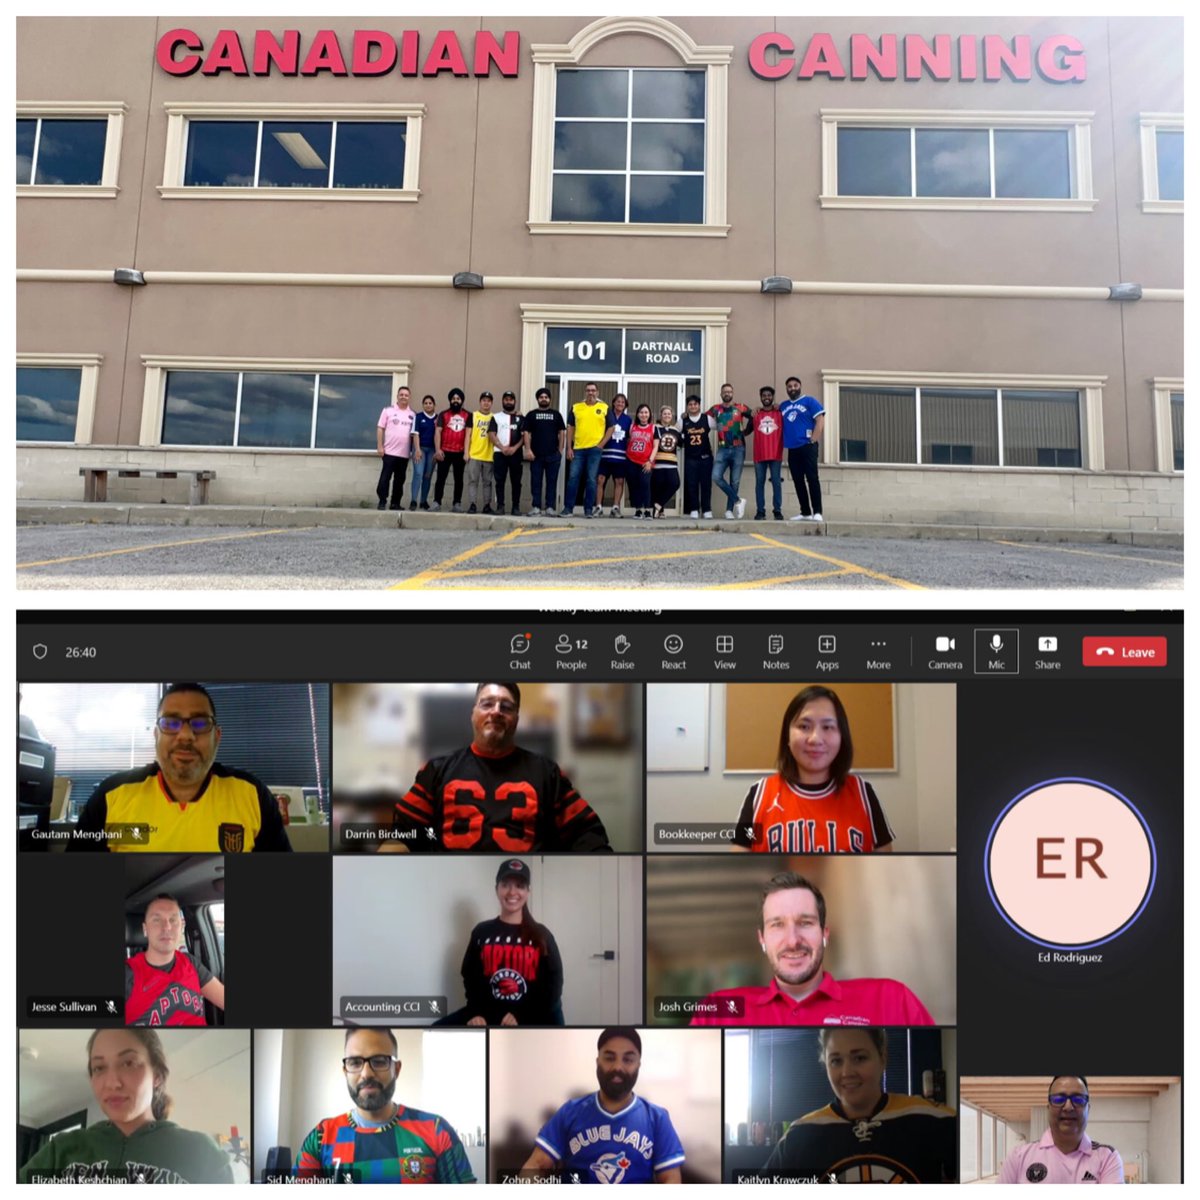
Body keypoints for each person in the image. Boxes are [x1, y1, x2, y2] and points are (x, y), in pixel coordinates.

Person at [389, 683, 612, 852]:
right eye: (487, 704)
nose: (496, 711)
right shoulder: (436, 770)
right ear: (473, 714)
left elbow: (587, 832)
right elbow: (400, 836)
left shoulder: (547, 773)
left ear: (516, 719)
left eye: (506, 707)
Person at [689, 872, 934, 1026]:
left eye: (805, 923)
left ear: (824, 933)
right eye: (777, 925)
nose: (793, 940)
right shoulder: (718, 1010)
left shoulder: (892, 999)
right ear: (762, 939)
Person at [71, 683, 291, 853]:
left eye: (200, 723)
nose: (185, 735)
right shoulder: (111, 796)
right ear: (156, 735)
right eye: (170, 723)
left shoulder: (252, 794)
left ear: (217, 736)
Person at [18, 1028, 234, 1183]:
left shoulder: (202, 1154)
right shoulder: (61, 1150)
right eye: (99, 1068)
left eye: (128, 1063)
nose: (112, 1083)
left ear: (157, 1075)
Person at [763, 1028, 956, 1183]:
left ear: (883, 1058)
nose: (847, 1072)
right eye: (836, 1061)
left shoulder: (931, 1120)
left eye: (860, 1058)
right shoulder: (801, 1134)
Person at [294, 1027, 475, 1182]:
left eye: (379, 1061)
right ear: (345, 1071)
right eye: (355, 1062)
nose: (366, 1073)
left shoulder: (436, 1130)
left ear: (396, 1069)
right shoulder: (320, 1138)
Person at [731, 686, 894, 853]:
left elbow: (886, 869)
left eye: (828, 727)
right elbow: (738, 870)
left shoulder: (863, 794)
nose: (815, 739)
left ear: (841, 736)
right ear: (787, 736)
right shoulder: (759, 795)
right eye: (804, 726)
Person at [521, 1028, 685, 1183]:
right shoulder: (570, 1112)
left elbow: (670, 1180)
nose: (618, 1067)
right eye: (609, 1058)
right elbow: (535, 1165)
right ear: (598, 1061)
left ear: (638, 1065)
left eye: (628, 1059)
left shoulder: (657, 1118)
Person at [435, 859, 564, 1026]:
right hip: (486, 1014)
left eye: (519, 885)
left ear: (528, 891)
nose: (512, 892)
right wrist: (476, 1013)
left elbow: (553, 985)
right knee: (436, 1028)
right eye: (505, 885)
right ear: (497, 889)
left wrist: (522, 1015)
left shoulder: (542, 935)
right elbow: (470, 976)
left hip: (529, 1016)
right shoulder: (481, 932)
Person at [998, 1076, 1124, 1184]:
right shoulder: (1019, 1157)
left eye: (1078, 1099)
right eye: (1059, 1099)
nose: (1068, 1107)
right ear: (1048, 1108)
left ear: (1088, 1109)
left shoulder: (1107, 1158)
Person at [126, 894, 225, 1026]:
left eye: (173, 920)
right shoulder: (129, 973)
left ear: (181, 927)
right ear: (145, 929)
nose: (166, 927)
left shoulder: (191, 962)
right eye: (157, 920)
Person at [560, 382, 614, 518]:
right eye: (588, 390)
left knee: (591, 479)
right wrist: (569, 448)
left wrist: (601, 444)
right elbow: (570, 427)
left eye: (593, 390)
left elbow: (611, 428)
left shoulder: (605, 407)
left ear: (598, 392)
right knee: (573, 478)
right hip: (578, 449)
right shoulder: (576, 407)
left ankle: (588, 510)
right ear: (585, 392)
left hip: (595, 450)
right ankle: (568, 509)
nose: (591, 393)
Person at [780, 376, 825, 523]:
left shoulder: (810, 401)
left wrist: (813, 440)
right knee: (798, 481)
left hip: (808, 446)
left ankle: (817, 512)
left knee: (812, 479)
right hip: (793, 449)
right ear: (786, 389)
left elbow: (820, 421)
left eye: (795, 385)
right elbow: (771, 408)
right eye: (789, 386)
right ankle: (805, 512)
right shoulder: (783, 405)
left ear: (800, 386)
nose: (792, 388)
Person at [708, 383, 753, 519]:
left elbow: (755, 417)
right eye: (724, 392)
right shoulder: (715, 409)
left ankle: (729, 511)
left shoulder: (741, 407)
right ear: (721, 394)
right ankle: (738, 500)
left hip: (739, 448)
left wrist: (747, 431)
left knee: (735, 481)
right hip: (723, 448)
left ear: (732, 393)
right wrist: (686, 415)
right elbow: (701, 419)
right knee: (716, 476)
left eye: (729, 391)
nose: (727, 394)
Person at [524, 386, 566, 516]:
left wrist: (560, 451)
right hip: (535, 455)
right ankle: (536, 507)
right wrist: (528, 449)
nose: (544, 399)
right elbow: (526, 433)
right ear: (538, 399)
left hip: (553, 455)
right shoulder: (531, 415)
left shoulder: (556, 415)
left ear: (550, 399)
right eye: (541, 397)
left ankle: (550, 508)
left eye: (546, 397)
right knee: (536, 482)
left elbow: (562, 432)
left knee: (551, 483)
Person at [374, 385, 417, 512]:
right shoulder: (388, 411)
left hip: (404, 454)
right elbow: (380, 428)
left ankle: (395, 503)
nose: (404, 397)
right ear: (397, 396)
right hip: (389, 452)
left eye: (406, 395)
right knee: (385, 478)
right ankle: (382, 501)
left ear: (409, 397)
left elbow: (415, 434)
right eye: (401, 394)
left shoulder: (413, 414)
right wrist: (379, 446)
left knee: (399, 480)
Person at [432, 388, 470, 512]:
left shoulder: (468, 415)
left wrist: (466, 452)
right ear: (450, 400)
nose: (455, 401)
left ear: (462, 401)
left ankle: (457, 503)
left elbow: (469, 435)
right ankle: (437, 502)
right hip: (445, 452)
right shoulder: (443, 414)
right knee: (440, 479)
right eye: (453, 399)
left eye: (458, 399)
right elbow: (438, 432)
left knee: (459, 480)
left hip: (460, 452)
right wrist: (438, 450)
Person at [489, 390, 525, 516]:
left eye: (511, 399)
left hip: (516, 454)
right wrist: (502, 447)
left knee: (516, 482)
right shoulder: (496, 417)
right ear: (503, 401)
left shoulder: (520, 418)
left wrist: (514, 448)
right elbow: (491, 434)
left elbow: (524, 436)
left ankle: (516, 507)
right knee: (499, 481)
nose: (508, 401)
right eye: (506, 399)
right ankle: (500, 506)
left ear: (514, 401)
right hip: (500, 453)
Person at [751, 386, 785, 521]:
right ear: (760, 397)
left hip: (775, 454)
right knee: (760, 483)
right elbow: (746, 429)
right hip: (759, 455)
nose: (766, 397)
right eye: (764, 395)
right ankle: (760, 511)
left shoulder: (780, 413)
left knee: (776, 482)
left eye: (769, 395)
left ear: (772, 397)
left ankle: (777, 511)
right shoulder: (755, 414)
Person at [680, 393, 714, 519]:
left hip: (705, 457)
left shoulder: (707, 419)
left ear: (699, 405)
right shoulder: (683, 421)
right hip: (690, 458)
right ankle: (694, 508)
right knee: (692, 484)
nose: (693, 406)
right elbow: (674, 433)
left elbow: (721, 428)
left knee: (706, 484)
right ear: (687, 407)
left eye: (695, 404)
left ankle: (706, 509)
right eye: (690, 404)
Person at [597, 393, 631, 517]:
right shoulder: (607, 416)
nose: (620, 404)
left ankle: (615, 508)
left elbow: (629, 438)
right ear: (613, 403)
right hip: (605, 455)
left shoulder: (628, 419)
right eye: (618, 401)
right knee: (600, 480)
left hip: (620, 456)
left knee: (619, 481)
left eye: (622, 402)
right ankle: (598, 507)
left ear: (625, 405)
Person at [464, 390, 497, 515]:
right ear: (480, 402)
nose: (486, 403)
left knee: (487, 482)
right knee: (473, 481)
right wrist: (466, 452)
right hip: (475, 454)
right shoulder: (473, 415)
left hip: (489, 455)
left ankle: (487, 505)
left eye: (488, 401)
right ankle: (472, 504)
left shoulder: (494, 417)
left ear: (491, 403)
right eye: (484, 401)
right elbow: (467, 435)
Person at [625, 404, 658, 520]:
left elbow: (655, 447)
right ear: (637, 414)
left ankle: (648, 510)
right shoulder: (632, 427)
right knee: (634, 485)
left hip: (645, 462)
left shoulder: (653, 428)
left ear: (649, 414)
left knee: (645, 484)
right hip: (631, 460)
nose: (643, 415)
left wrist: (650, 461)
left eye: (646, 412)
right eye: (641, 412)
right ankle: (638, 509)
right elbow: (628, 441)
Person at [651, 406, 682, 518]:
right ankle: (660, 511)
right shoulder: (655, 428)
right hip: (657, 463)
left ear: (672, 416)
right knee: (658, 487)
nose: (667, 416)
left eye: (669, 414)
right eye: (665, 414)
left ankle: (658, 505)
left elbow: (682, 443)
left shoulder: (675, 430)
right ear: (661, 415)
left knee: (675, 483)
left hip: (671, 463)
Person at [409, 394, 438, 511]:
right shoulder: (418, 416)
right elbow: (416, 434)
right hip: (419, 448)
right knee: (418, 473)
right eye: (425, 403)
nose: (428, 405)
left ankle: (423, 501)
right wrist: (417, 449)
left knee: (427, 476)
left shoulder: (437, 418)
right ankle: (413, 500)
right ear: (423, 405)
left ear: (434, 405)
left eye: (430, 403)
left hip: (432, 450)